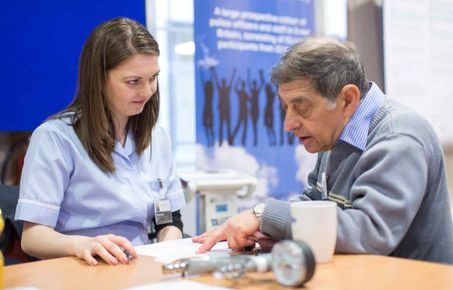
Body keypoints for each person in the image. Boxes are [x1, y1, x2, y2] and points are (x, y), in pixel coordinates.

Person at [193, 37, 453, 264]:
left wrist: (265, 215)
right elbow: (313, 202)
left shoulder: (399, 136)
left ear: (348, 100)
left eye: (301, 107)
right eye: (285, 107)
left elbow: (371, 233)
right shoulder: (335, 131)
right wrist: (268, 227)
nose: (288, 124)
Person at [14, 17, 186, 266]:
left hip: (140, 266)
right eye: (133, 82)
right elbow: (32, 239)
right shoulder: (55, 138)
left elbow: (168, 219)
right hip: (81, 266)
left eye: (153, 78)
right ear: (99, 80)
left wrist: (170, 250)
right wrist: (82, 245)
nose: (148, 91)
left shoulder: (156, 138)